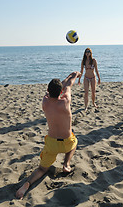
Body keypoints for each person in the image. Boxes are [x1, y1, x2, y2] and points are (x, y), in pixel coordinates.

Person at [16, 71, 81, 199]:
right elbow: (68, 86)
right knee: (75, 142)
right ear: (61, 91)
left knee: (41, 169)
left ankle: (27, 184)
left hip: (51, 144)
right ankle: (66, 164)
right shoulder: (65, 102)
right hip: (67, 142)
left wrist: (65, 78)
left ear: (48, 90)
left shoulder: (45, 102)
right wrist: (74, 75)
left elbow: (58, 88)